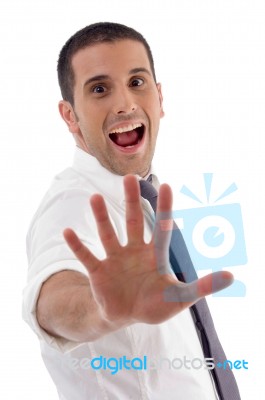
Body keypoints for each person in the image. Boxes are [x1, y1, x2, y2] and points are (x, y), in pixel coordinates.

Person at [23, 22, 239, 399]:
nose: (124, 103)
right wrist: (102, 310)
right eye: (100, 89)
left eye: (136, 82)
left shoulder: (145, 198)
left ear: (159, 97)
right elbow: (51, 301)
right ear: (70, 115)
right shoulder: (72, 203)